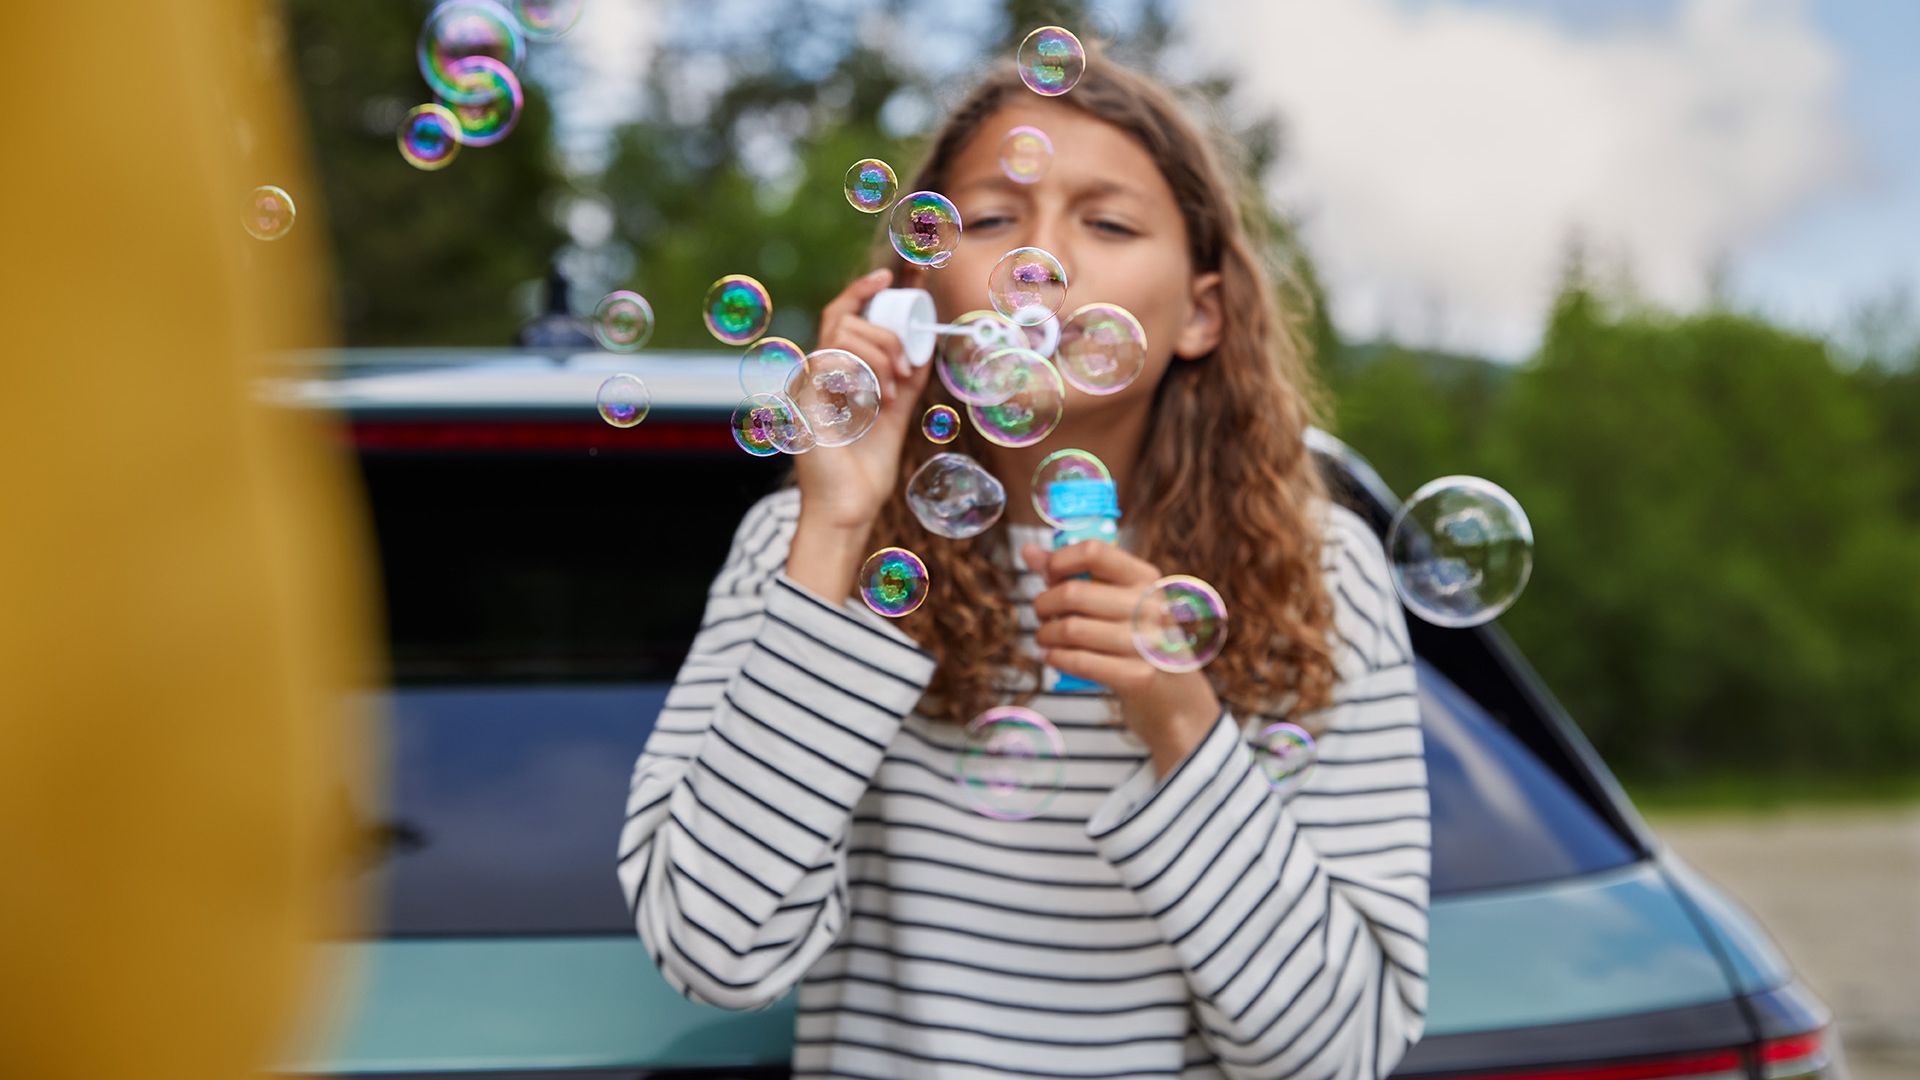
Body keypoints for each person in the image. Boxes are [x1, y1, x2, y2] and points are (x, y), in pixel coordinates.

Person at [618, 55, 1429, 1079]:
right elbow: (712, 947)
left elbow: (1339, 1053)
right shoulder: (810, 547)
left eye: (1110, 225)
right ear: (922, 285)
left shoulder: (1321, 571)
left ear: (1201, 313)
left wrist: (1183, 724)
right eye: (993, 221)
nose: (1037, 263)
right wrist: (832, 526)